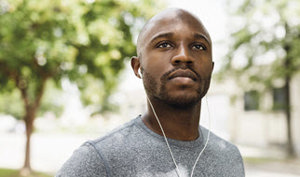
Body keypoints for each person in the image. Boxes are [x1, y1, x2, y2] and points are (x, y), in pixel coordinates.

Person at [56, 8, 245, 177]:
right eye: (164, 44)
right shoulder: (99, 159)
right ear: (138, 67)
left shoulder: (229, 156)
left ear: (211, 68)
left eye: (198, 46)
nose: (184, 56)